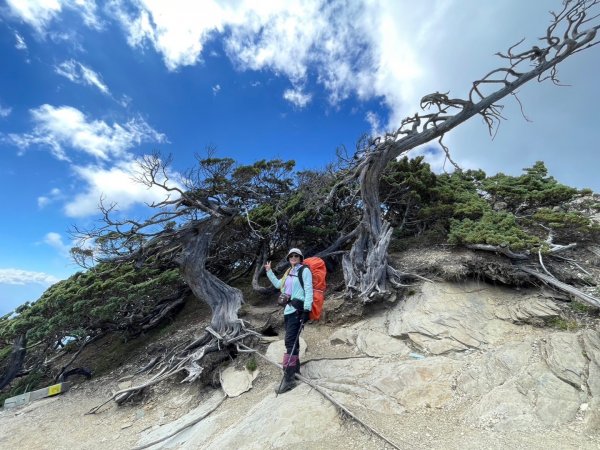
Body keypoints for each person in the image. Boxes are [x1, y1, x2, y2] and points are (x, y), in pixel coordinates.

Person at [264, 247, 313, 394]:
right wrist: (269, 271)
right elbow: (279, 285)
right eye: (291, 255)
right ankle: (295, 369)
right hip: (288, 310)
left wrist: (306, 310)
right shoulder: (288, 271)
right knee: (294, 341)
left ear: (300, 257)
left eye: (296, 255)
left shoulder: (304, 271)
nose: (293, 257)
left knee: (289, 342)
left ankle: (289, 378)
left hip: (298, 310)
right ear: (288, 258)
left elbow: (309, 290)